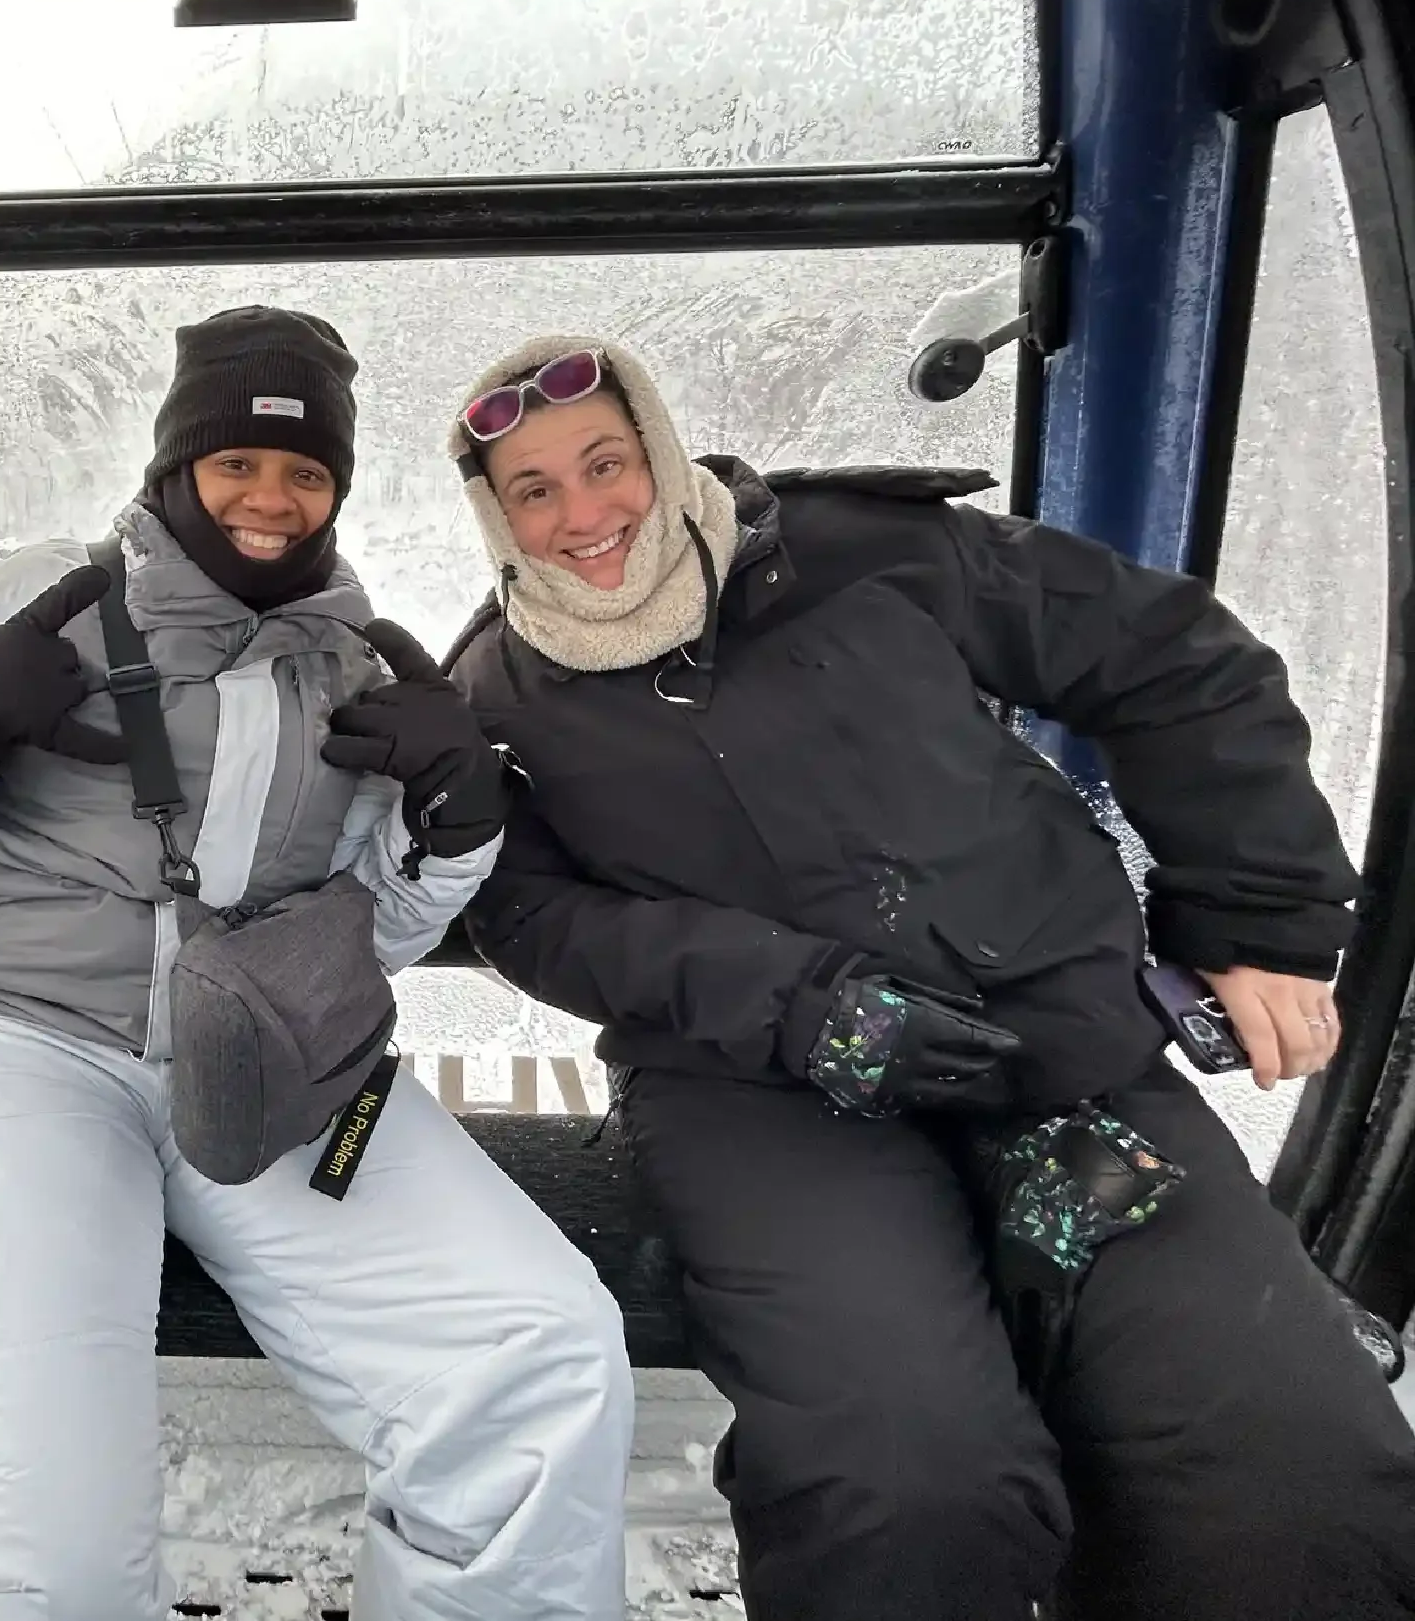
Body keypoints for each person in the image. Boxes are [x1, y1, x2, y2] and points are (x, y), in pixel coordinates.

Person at [444, 332, 1415, 1621]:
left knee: (1282, 1456)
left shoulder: (860, 554)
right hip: (764, 1103)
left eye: (605, 463)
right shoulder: (502, 691)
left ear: (660, 452)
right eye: (535, 491)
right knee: (905, 1479)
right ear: (496, 519)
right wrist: (796, 1003)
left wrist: (1259, 918)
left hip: (1055, 1064)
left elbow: (1166, 657)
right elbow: (527, 911)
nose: (585, 516)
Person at [0, 307, 636, 1620]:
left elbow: (378, 931)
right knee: (49, 1567)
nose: (270, 495)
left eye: (305, 472)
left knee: (536, 1354)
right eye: (236, 463)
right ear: (175, 467)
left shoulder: (363, 671)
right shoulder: (46, 597)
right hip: (17, 1048)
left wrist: (456, 825)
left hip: (269, 1063)